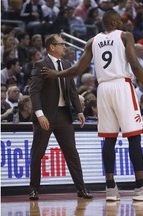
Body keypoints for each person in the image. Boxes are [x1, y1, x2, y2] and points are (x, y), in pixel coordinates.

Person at [41, 10, 143, 202]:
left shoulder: (92, 41)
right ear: (114, 21)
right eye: (120, 20)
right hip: (121, 85)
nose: (122, 23)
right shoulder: (125, 36)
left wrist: (57, 74)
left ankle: (111, 188)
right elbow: (135, 65)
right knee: (134, 137)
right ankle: (140, 188)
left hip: (103, 89)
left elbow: (78, 69)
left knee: (109, 140)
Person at [29, 33, 93, 200]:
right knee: (37, 154)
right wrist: (40, 114)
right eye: (62, 44)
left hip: (64, 115)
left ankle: (81, 188)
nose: (65, 47)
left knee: (72, 154)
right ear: (52, 47)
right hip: (46, 117)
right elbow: (34, 92)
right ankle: (34, 189)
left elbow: (72, 90)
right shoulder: (40, 64)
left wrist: (79, 110)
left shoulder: (66, 63)